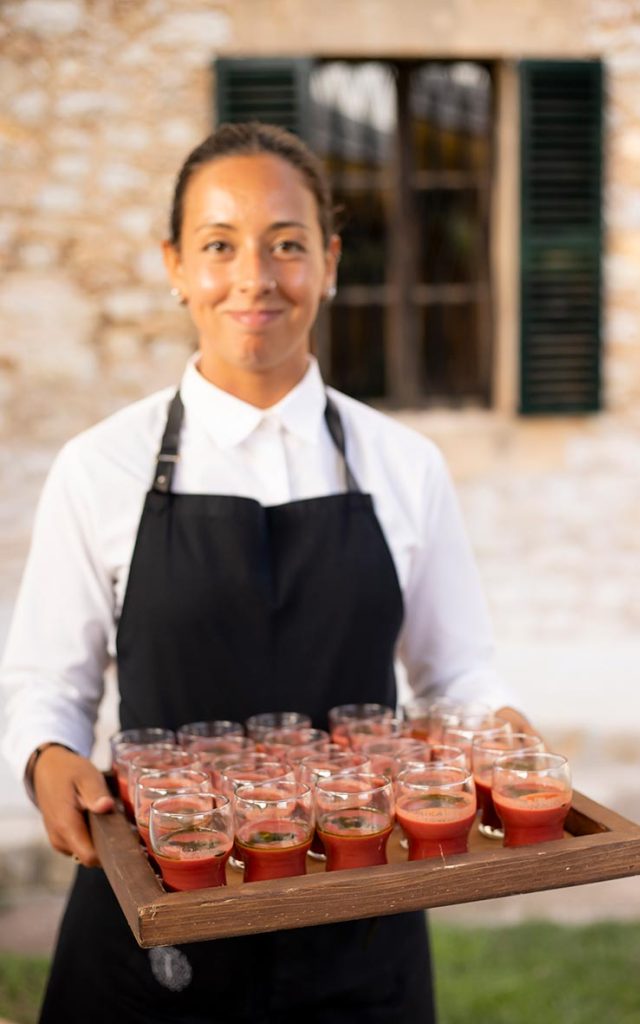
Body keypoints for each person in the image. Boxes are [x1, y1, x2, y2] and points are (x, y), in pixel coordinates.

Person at [1, 121, 534, 1024]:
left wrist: (495, 727)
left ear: (328, 262)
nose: (255, 277)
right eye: (219, 246)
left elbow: (455, 674)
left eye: (288, 245)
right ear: (175, 265)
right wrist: (46, 757)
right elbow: (49, 681)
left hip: (360, 919)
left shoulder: (405, 464)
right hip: (156, 926)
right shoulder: (102, 466)